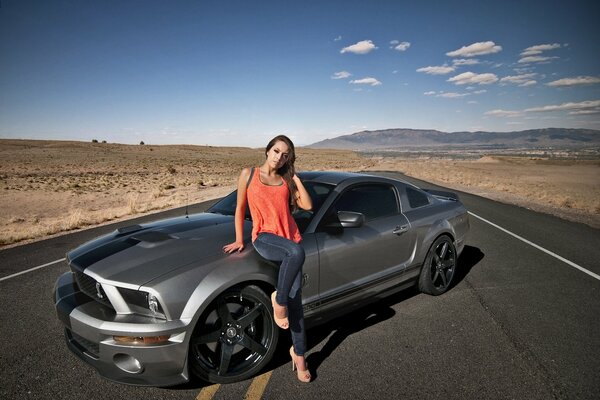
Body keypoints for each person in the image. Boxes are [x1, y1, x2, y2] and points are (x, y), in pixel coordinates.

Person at [223, 135, 313, 383]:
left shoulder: (285, 179)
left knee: (297, 306)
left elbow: (306, 204)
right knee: (296, 254)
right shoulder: (249, 174)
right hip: (264, 237)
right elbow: (240, 208)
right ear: (267, 150)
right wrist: (240, 239)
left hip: (288, 238)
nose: (279, 157)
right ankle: (278, 300)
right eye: (276, 151)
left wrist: (294, 176)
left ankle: (300, 355)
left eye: (285, 155)